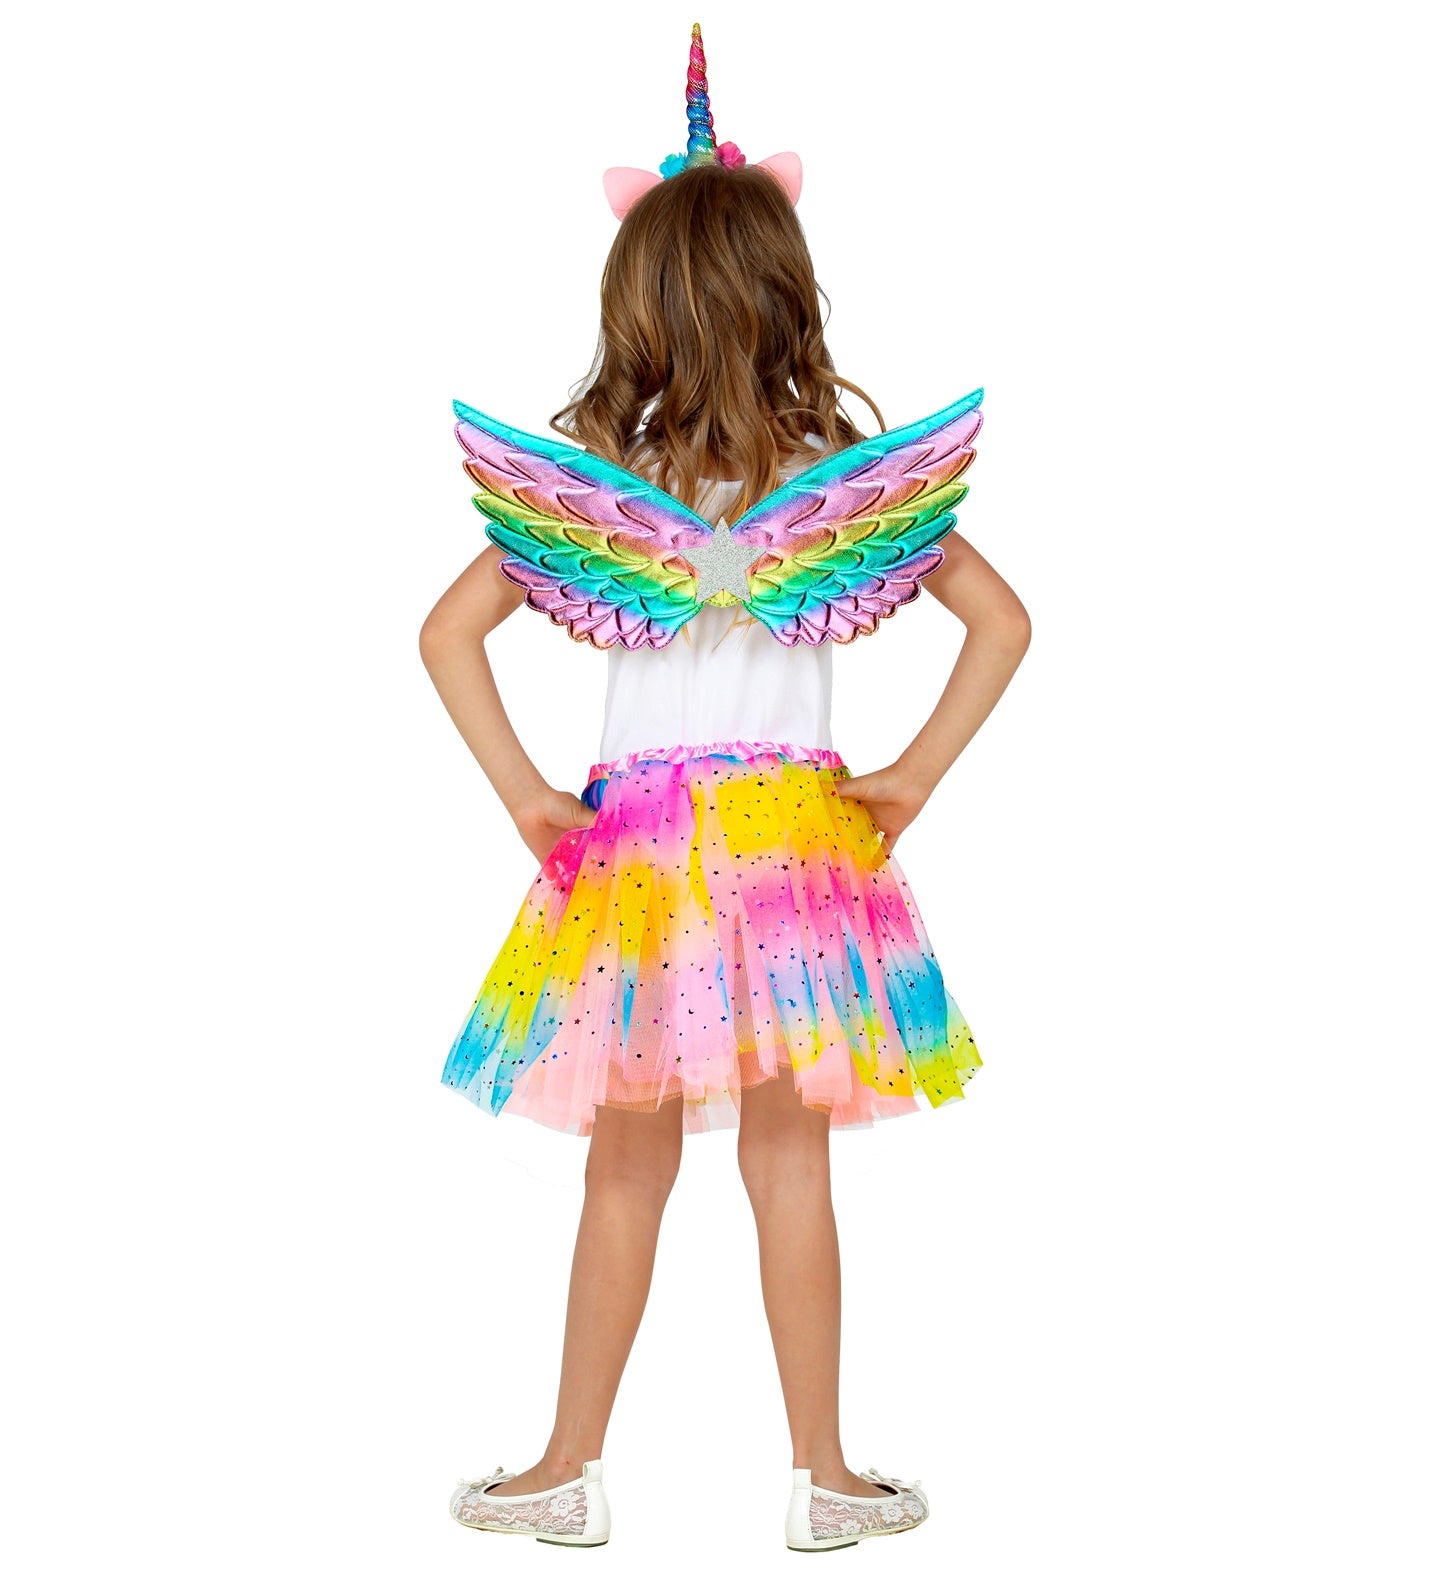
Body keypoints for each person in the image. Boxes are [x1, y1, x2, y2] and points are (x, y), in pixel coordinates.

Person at [419, 24, 1030, 1553]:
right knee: (787, 1160)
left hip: (636, 853)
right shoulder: (839, 485)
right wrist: (910, 778)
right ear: (787, 294)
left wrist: (527, 798)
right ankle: (825, 1477)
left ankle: (565, 1469)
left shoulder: (599, 494)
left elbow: (444, 634)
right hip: (793, 853)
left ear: (631, 306)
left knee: (625, 1168)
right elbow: (1004, 622)